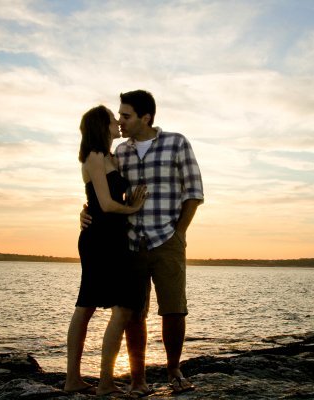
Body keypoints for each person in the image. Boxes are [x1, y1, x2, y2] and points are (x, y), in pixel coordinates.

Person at [81, 90, 204, 394]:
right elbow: (102, 191)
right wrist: (85, 212)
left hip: (167, 239)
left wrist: (179, 232)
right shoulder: (119, 153)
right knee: (134, 312)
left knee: (174, 309)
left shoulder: (177, 142)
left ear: (145, 117)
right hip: (130, 242)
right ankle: (138, 380)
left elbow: (194, 192)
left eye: (126, 115)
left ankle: (174, 370)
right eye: (119, 116)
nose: (120, 121)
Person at [64, 105, 148, 397]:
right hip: (100, 239)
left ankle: (92, 381)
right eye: (113, 119)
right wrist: (133, 207)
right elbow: (106, 204)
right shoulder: (95, 157)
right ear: (103, 125)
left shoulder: (112, 155)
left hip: (113, 237)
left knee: (101, 307)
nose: (117, 122)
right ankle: (92, 381)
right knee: (93, 305)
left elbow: (99, 202)